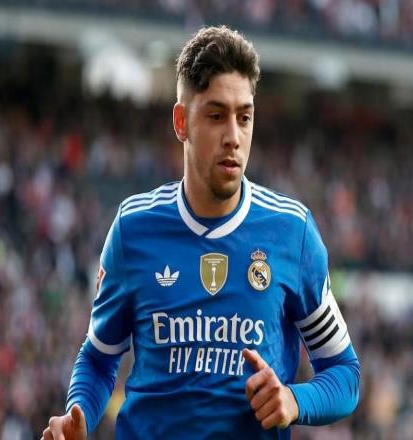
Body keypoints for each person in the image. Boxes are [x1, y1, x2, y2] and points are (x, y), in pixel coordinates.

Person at [42, 25, 360, 440]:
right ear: (181, 122)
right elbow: (99, 357)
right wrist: (78, 411)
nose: (233, 137)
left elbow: (344, 372)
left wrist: (295, 400)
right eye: (216, 115)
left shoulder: (291, 232)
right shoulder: (133, 229)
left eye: (244, 117)